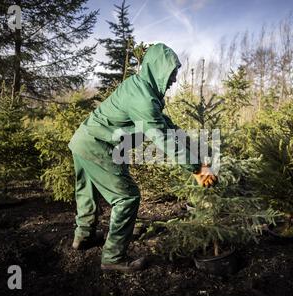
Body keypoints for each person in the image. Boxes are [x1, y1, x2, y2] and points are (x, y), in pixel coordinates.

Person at [68, 43, 218, 272]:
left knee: (86, 191)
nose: (174, 80)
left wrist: (196, 149)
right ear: (158, 69)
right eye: (172, 74)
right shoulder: (143, 99)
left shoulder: (140, 89)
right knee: (127, 197)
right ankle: (113, 257)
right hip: (97, 145)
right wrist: (196, 168)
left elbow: (169, 128)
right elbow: (163, 139)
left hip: (83, 139)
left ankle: (84, 237)